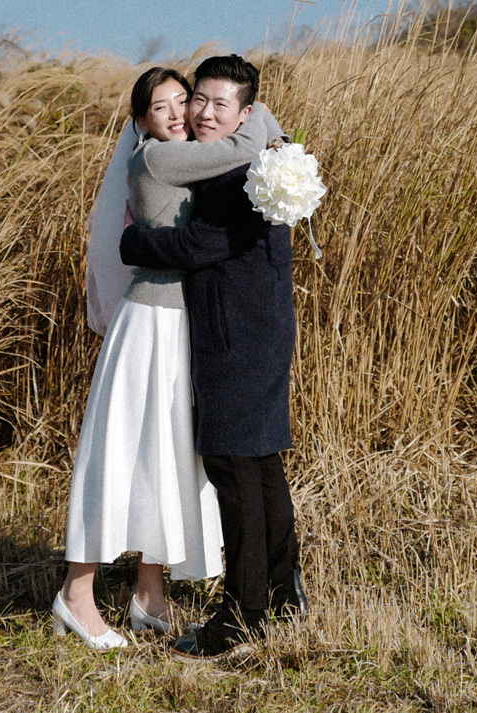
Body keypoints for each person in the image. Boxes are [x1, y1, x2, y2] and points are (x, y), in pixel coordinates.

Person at [52, 64, 285, 649]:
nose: (182, 114)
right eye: (164, 107)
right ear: (140, 122)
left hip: (181, 325)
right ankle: (77, 595)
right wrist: (262, 121)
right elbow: (243, 145)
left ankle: (149, 593)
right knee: (120, 454)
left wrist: (259, 122)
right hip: (150, 322)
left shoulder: (192, 154)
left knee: (165, 458)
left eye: (185, 100)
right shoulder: (159, 159)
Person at [120, 54, 305, 660]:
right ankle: (282, 595)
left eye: (219, 104)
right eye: (197, 98)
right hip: (259, 332)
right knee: (261, 465)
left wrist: (134, 242)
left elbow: (202, 244)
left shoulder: (239, 176)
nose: (201, 112)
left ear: (244, 114)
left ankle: (240, 618)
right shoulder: (254, 160)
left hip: (236, 339)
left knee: (234, 471)